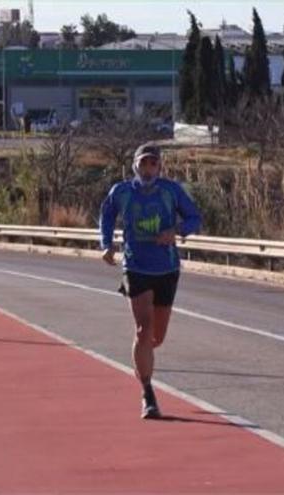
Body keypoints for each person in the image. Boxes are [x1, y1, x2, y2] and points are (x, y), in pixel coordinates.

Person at [99, 143, 202, 419]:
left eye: (153, 164)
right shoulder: (121, 192)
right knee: (143, 330)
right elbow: (106, 215)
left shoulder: (171, 191)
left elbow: (195, 217)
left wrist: (176, 231)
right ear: (135, 165)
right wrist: (106, 244)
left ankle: (142, 360)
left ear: (159, 167)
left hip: (166, 268)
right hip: (136, 265)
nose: (148, 169)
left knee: (156, 337)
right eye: (143, 164)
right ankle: (148, 393)